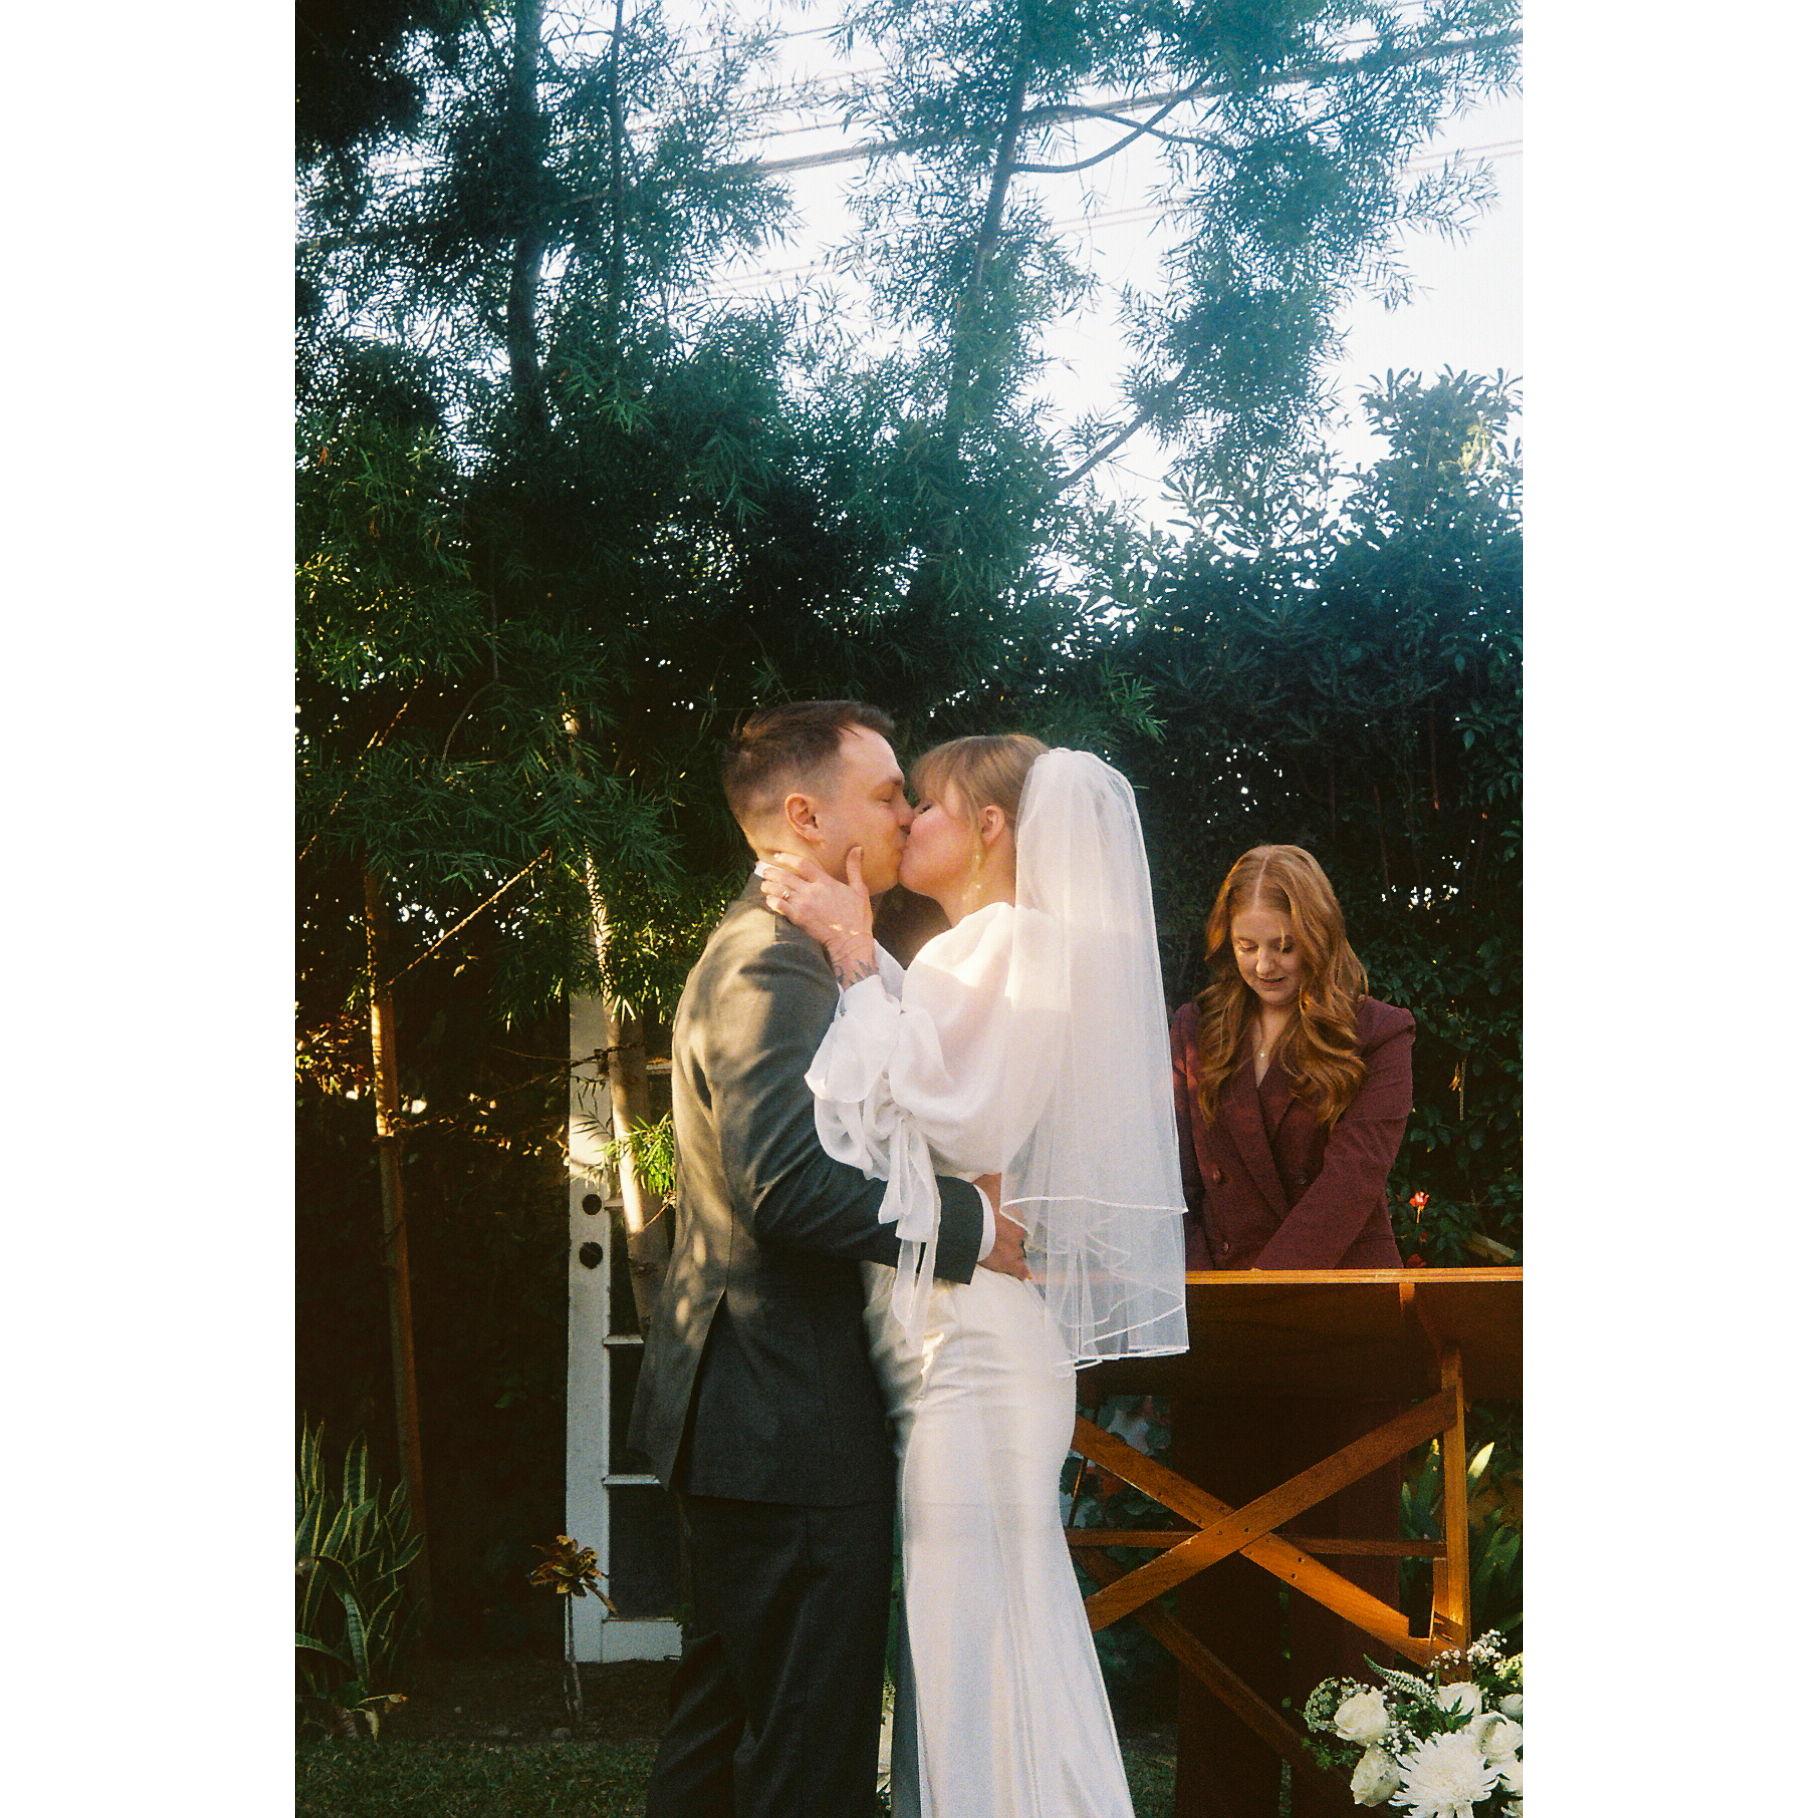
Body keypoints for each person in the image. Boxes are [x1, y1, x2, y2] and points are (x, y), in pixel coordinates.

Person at [763, 735, 1189, 1818]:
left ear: (990, 827)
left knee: (981, 1635)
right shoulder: (963, 951)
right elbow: (912, 1075)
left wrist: (851, 950)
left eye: (931, 805)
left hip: (977, 1351)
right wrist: (864, 954)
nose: (910, 821)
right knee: (965, 1632)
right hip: (944, 1336)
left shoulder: (1016, 938)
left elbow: (958, 1116)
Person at [629, 702, 1030, 1818]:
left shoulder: (796, 946)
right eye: (889, 792)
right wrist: (972, 1229)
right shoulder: (774, 960)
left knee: (727, 1726)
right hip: (784, 1416)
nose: (907, 812)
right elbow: (781, 1185)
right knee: (808, 1748)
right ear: (807, 817)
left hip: (754, 1414)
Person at [1166, 844, 1415, 1818]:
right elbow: (1177, 1184)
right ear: (1226, 939)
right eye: (1248, 944)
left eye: (1284, 945)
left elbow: (1353, 1182)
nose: (1266, 964)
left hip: (1344, 1342)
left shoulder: (1379, 1034)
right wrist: (1206, 1299)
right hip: (1223, 1348)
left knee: (1341, 1602)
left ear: (1318, 936)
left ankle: (1342, 1804)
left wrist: (1262, 1298)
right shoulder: (1193, 1032)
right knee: (1217, 1587)